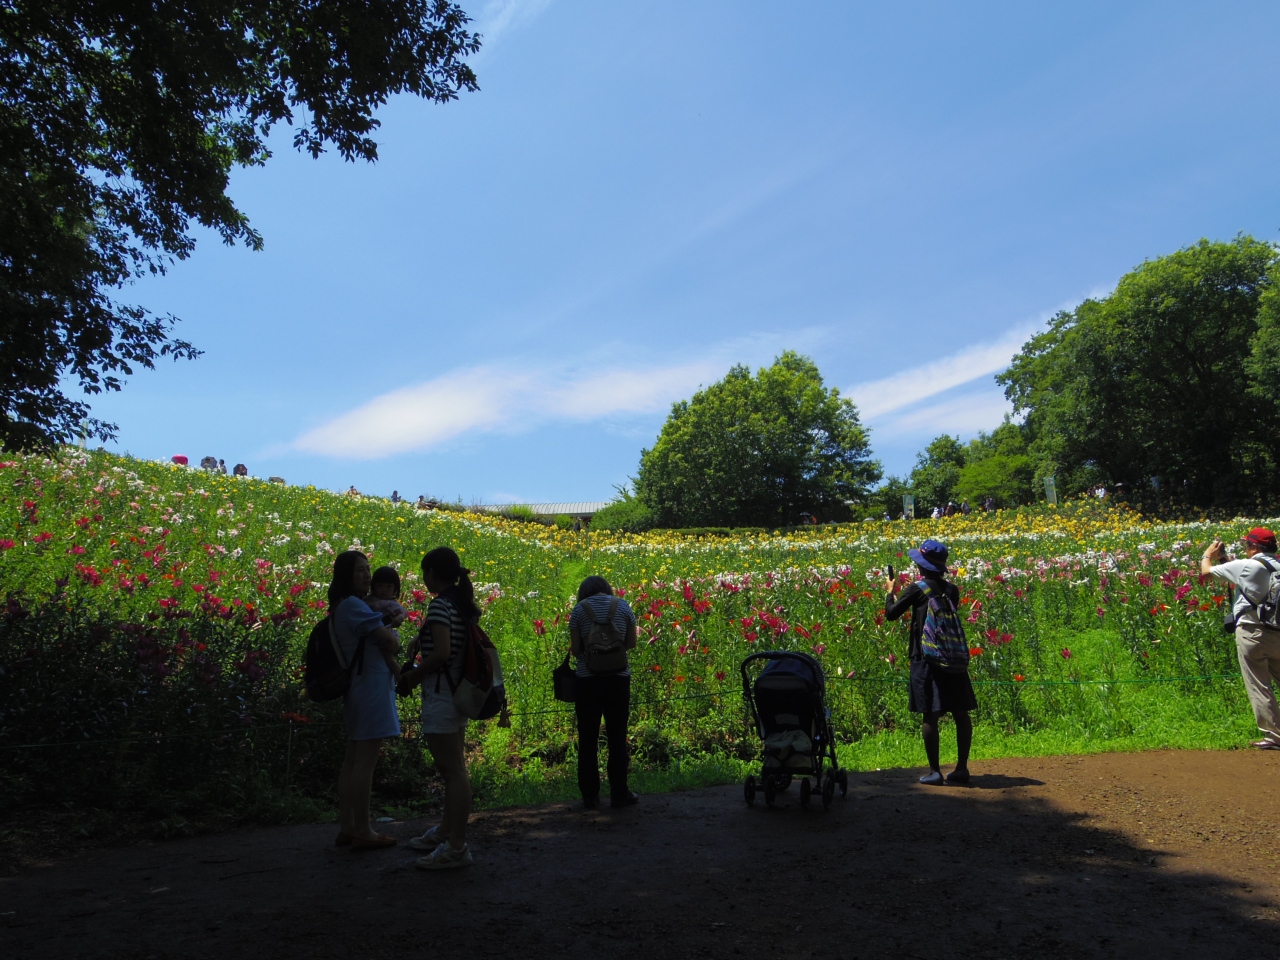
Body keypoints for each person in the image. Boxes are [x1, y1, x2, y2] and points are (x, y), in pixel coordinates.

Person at [398, 547, 479, 869]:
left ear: (432, 572)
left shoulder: (440, 606)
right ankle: (446, 832)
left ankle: (457, 847)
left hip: (442, 695)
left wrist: (412, 677)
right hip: (458, 693)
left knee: (453, 773)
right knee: (455, 769)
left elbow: (442, 652)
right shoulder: (461, 605)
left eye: (424, 570)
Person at [328, 550, 405, 850]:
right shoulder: (353, 606)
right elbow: (390, 642)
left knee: (353, 761)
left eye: (368, 568)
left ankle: (348, 826)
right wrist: (395, 637)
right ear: (346, 574)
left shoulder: (345, 605)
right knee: (365, 764)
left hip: (359, 688)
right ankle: (364, 829)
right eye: (360, 570)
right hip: (370, 687)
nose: (367, 575)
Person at [884, 538, 977, 785]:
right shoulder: (952, 590)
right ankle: (962, 769)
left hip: (925, 658)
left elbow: (891, 615)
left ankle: (935, 771)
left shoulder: (917, 588)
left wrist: (890, 592)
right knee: (960, 712)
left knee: (930, 714)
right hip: (952, 656)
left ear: (922, 566)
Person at [1202, 528, 1280, 749]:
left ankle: (1274, 737)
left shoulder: (1247, 566)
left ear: (1254, 547)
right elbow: (1249, 582)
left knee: (1259, 685)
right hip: (1277, 631)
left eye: (1247, 544)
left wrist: (1208, 554)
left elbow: (1206, 573)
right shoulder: (1276, 566)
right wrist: (1225, 560)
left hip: (1252, 632)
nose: (1245, 548)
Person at [568, 575, 639, 810]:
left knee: (587, 738)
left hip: (587, 682)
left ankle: (590, 796)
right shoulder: (623, 605)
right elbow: (631, 643)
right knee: (617, 736)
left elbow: (576, 650)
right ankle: (619, 793)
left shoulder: (579, 610)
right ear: (606, 589)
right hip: (618, 680)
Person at [365, 566, 407, 676]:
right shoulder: (370, 599)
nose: (384, 590)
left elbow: (401, 612)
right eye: (380, 586)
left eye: (388, 587)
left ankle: (401, 678)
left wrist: (399, 618)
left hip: (387, 633)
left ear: (395, 589)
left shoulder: (390, 603)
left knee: (388, 658)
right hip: (375, 632)